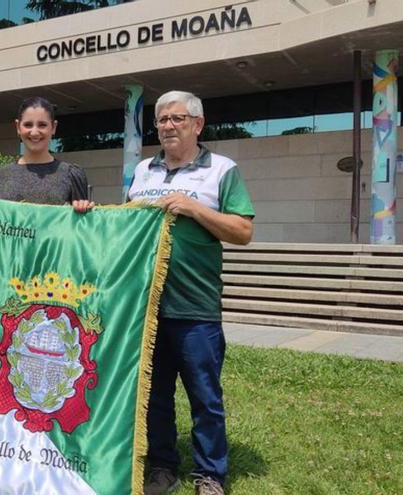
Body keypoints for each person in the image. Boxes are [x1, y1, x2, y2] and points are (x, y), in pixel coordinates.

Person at [127, 91, 255, 495]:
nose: (167, 126)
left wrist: (194, 208)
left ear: (197, 124)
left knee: (205, 397)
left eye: (177, 118)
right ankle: (162, 468)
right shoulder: (143, 170)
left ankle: (210, 475)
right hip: (147, 309)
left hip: (196, 308)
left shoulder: (221, 169)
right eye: (162, 120)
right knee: (156, 398)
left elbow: (243, 231)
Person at [0, 96, 93, 212]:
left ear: (53, 127)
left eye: (42, 125)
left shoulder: (71, 175)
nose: (34, 132)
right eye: (28, 125)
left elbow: (81, 232)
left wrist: (85, 209)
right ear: (18, 127)